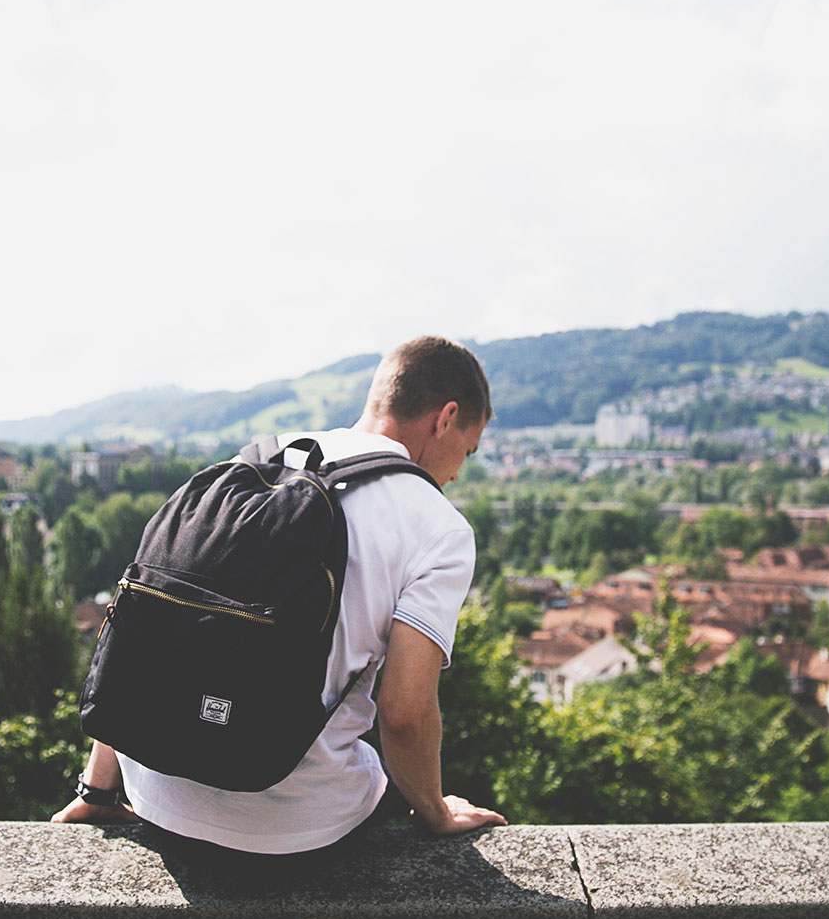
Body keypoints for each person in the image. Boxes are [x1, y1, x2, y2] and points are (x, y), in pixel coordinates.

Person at [52, 335, 508, 855]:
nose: (454, 472)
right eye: (466, 453)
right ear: (446, 418)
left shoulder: (250, 462)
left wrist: (99, 788)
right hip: (294, 831)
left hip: (157, 794)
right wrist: (436, 812)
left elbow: (155, 624)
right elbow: (404, 713)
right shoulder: (438, 528)